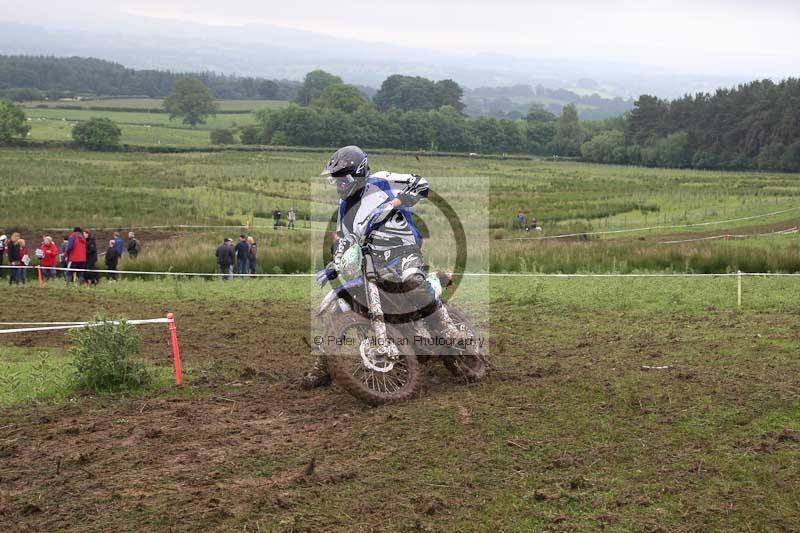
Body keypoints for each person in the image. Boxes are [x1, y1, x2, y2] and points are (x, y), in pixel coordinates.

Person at [302, 145, 468, 388]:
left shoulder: (382, 181)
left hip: (403, 251)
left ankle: (447, 332)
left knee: (413, 282)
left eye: (344, 179)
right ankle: (325, 367)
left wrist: (397, 202)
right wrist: (334, 263)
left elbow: (421, 183)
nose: (339, 185)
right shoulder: (344, 208)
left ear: (360, 173)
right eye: (335, 180)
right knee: (342, 306)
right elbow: (343, 239)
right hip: (371, 261)